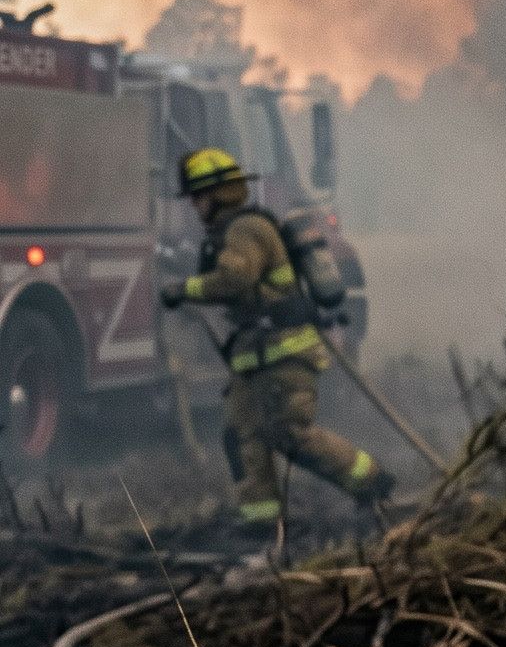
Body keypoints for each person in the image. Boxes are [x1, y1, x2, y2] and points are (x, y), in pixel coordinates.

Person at [160, 147, 391, 530]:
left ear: (218, 195)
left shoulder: (246, 229)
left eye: (198, 197)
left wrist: (184, 289)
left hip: (283, 353)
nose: (194, 207)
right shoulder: (232, 231)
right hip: (256, 356)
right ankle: (263, 524)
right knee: (242, 436)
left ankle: (372, 483)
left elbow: (236, 279)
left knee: (290, 435)